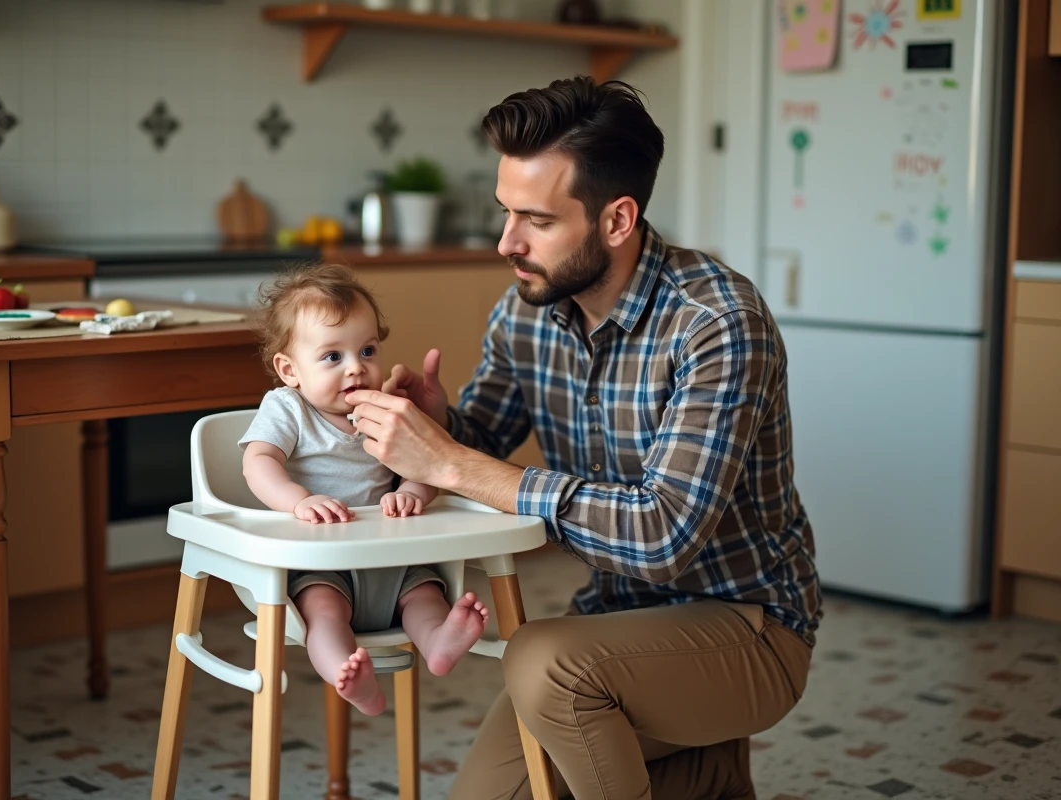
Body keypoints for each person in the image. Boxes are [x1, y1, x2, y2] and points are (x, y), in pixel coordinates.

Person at [345, 76, 823, 799]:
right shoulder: (528, 309)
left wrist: (450, 462)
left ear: (617, 220)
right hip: (614, 629)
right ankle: (706, 774)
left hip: (749, 629)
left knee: (542, 659)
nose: (507, 242)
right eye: (505, 213)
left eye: (536, 220)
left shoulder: (717, 324)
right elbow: (482, 446)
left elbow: (664, 537)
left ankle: (702, 748)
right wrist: (440, 425)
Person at [239, 264, 490, 717]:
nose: (357, 367)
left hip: (390, 557)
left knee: (424, 596)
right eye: (333, 357)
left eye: (368, 350)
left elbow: (425, 466)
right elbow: (258, 462)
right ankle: (349, 677)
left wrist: (412, 491)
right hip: (324, 564)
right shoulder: (288, 409)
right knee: (323, 613)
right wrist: (299, 500)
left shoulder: (387, 410)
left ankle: (437, 642)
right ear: (289, 369)